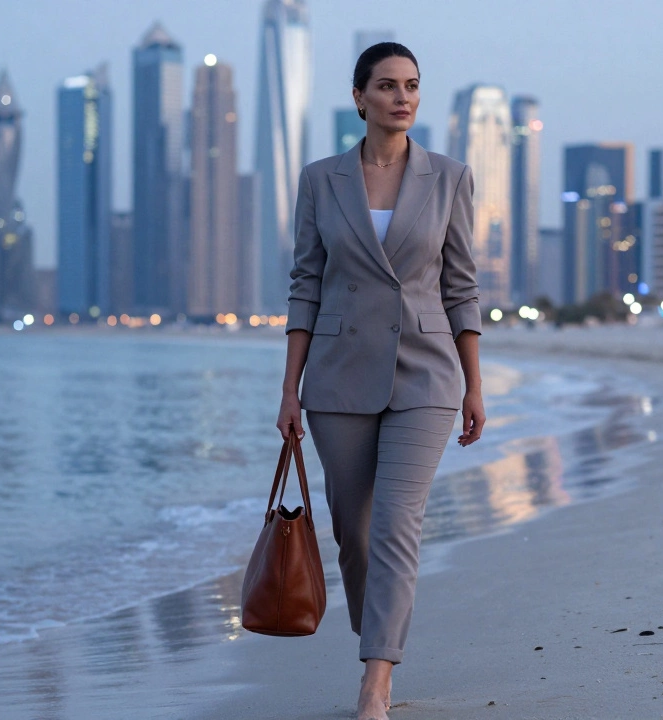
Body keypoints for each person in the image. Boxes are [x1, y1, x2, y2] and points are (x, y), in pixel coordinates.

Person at [275, 41, 484, 720]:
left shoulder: (449, 177)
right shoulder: (320, 180)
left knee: (398, 523)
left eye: (413, 85)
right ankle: (378, 641)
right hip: (337, 379)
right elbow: (306, 284)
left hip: (426, 374)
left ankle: (376, 681)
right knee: (355, 532)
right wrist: (289, 389)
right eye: (388, 86)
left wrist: (474, 386)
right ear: (359, 97)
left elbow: (462, 288)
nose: (403, 97)